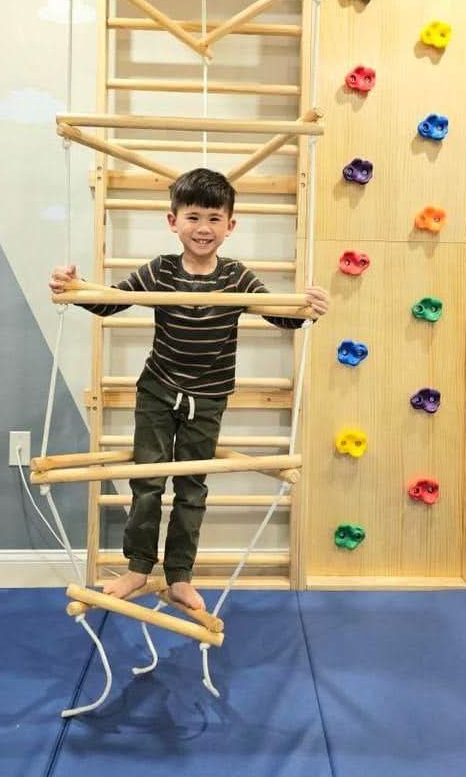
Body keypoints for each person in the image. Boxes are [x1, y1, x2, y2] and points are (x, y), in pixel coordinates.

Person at [49, 168, 329, 611]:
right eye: (193, 217)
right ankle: (138, 568)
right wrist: (73, 287)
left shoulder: (235, 276)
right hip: (158, 391)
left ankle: (180, 575)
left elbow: (281, 315)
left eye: (214, 219)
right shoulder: (161, 270)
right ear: (173, 221)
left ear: (230, 226)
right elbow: (110, 302)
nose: (203, 228)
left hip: (209, 398)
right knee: (146, 480)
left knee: (192, 487)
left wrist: (308, 308)